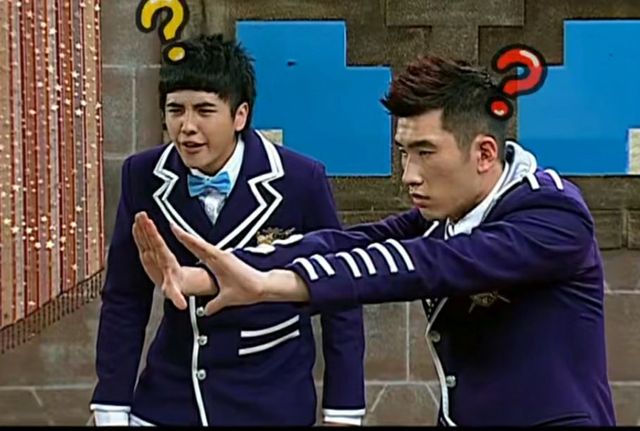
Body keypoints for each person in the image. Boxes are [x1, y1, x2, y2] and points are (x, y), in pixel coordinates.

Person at [133, 54, 617, 426]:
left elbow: (427, 263)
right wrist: (204, 276)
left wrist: (273, 286)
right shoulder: (449, 212)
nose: (409, 175)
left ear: (485, 153)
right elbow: (344, 244)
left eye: (425, 153)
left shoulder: (553, 215)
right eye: (404, 153)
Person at [90, 34, 366, 427]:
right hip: (170, 401)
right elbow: (124, 297)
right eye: (175, 110)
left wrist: (343, 411)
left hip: (271, 403)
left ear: (240, 115)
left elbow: (341, 296)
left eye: (204, 110)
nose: (187, 127)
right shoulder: (143, 175)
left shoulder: (300, 179)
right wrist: (112, 406)